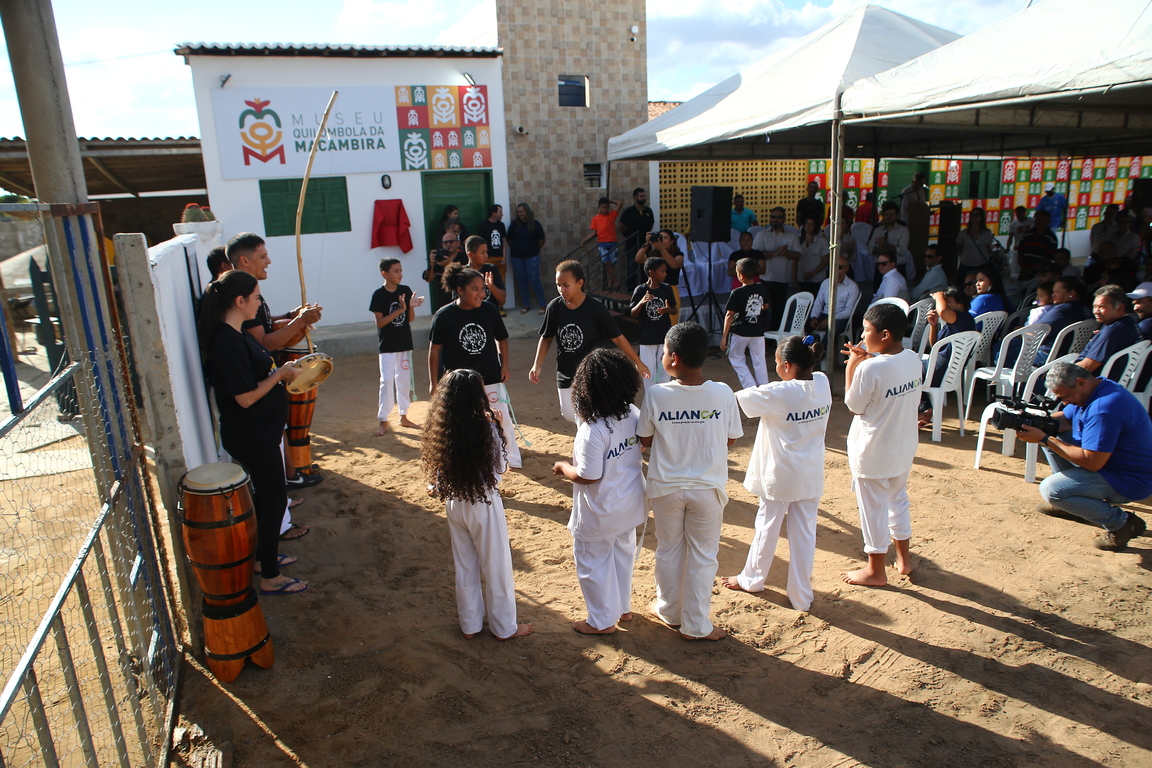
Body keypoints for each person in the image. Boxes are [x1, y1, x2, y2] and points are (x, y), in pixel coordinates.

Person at [198, 270, 307, 595]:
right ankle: (270, 577)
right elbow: (244, 397)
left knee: (269, 500)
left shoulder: (238, 333)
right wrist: (280, 375)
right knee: (273, 502)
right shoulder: (226, 342)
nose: (260, 303)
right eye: (256, 297)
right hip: (251, 436)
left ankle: (263, 559)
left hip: (260, 434)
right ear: (240, 301)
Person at [637, 322, 742, 640]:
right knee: (702, 555)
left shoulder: (656, 394)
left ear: (674, 358)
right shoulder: (723, 393)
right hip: (707, 489)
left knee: (668, 549)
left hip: (666, 488)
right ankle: (696, 625)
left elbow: (644, 439)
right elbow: (731, 440)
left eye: (665, 353)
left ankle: (669, 610)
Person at [420, 368, 533, 639]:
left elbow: (438, 474)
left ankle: (470, 625)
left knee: (465, 566)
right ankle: (505, 627)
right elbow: (500, 469)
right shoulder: (484, 425)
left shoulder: (442, 427)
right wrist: (498, 426)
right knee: (496, 567)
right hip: (483, 501)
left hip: (455, 502)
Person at [722, 336, 831, 612]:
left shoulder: (778, 393)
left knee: (767, 527)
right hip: (809, 473)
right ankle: (801, 596)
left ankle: (753, 579)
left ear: (786, 365)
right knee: (805, 534)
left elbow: (736, 399)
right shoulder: (822, 382)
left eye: (776, 363)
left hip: (780, 475)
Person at [551, 349, 646, 635]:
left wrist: (563, 468)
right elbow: (638, 446)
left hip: (600, 512)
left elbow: (588, 476)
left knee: (592, 564)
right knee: (622, 556)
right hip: (629, 504)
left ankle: (601, 621)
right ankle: (623, 608)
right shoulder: (632, 413)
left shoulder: (592, 429)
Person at [1017, 362, 1152, 551]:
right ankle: (1073, 503)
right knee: (1052, 438)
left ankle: (1122, 523)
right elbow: (1065, 418)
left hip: (1130, 479)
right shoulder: (1097, 389)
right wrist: (1037, 423)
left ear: (1081, 382)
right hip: (1114, 466)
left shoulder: (1104, 409)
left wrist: (1045, 438)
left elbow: (1092, 462)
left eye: (1065, 396)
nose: (1064, 402)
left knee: (1052, 489)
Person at [227, 232, 323, 494]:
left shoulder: (246, 290)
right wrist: (300, 323)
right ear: (244, 260)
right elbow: (264, 342)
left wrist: (292, 316)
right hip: (257, 388)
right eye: (263, 256)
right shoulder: (243, 293)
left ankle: (289, 478)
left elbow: (264, 324)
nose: (268, 261)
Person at [841, 303, 922, 586]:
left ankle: (875, 570)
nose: (861, 338)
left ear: (885, 334)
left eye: (866, 331)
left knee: (872, 509)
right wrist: (868, 359)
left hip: (873, 450)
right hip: (903, 446)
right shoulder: (913, 358)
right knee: (897, 501)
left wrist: (853, 365)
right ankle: (904, 560)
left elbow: (853, 405)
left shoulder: (869, 369)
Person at [531, 260, 650, 423]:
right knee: (568, 413)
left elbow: (617, 337)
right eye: (558, 285)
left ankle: (586, 447)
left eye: (566, 285)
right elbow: (546, 337)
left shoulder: (596, 308)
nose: (561, 289)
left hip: (590, 374)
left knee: (584, 416)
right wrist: (537, 365)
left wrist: (637, 361)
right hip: (565, 371)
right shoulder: (555, 307)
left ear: (580, 283)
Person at [428, 263, 520, 469]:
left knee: (502, 418)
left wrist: (504, 366)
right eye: (475, 289)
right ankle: (452, 466)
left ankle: (511, 458)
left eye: (482, 289)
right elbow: (434, 350)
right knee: (458, 425)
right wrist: (433, 381)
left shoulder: (489, 310)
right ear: (460, 290)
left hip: (490, 376)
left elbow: (502, 339)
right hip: (459, 384)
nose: (481, 294)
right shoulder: (444, 315)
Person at [369, 258, 424, 436]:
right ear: (385, 274)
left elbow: (409, 319)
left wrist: (411, 307)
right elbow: (380, 323)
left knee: (403, 380)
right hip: (387, 346)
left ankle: (404, 415)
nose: (400, 274)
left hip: (404, 343)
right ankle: (383, 420)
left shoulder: (405, 291)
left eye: (400, 270)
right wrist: (400, 310)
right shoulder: (379, 295)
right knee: (386, 382)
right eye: (396, 271)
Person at [721, 258, 772, 389]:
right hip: (758, 331)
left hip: (740, 331)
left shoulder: (737, 292)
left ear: (740, 275)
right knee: (759, 361)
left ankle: (750, 387)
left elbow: (729, 315)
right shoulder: (761, 287)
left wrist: (724, 337)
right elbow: (766, 306)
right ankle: (764, 388)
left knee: (736, 358)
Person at [630, 256, 677, 391]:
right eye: (662, 271)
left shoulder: (666, 289)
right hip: (647, 338)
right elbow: (633, 313)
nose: (665, 274)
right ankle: (651, 398)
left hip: (664, 336)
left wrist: (668, 309)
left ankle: (663, 396)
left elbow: (673, 310)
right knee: (648, 371)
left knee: (664, 369)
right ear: (651, 272)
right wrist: (642, 302)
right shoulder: (640, 290)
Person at [1076, 285, 1141, 377]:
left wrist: (1053, 371)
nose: (1096, 311)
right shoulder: (1129, 323)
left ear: (1119, 308)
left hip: (1092, 382)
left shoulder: (1113, 331)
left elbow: (1087, 367)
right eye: (1094, 307)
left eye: (1101, 307)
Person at [752, 207, 801, 328]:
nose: (775, 220)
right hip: (765, 279)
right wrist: (775, 253)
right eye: (773, 217)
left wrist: (785, 253)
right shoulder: (762, 234)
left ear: (784, 219)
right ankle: (761, 337)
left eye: (779, 217)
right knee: (761, 310)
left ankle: (774, 340)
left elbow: (798, 256)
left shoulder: (791, 236)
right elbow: (755, 255)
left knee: (779, 312)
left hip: (782, 280)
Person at [922, 288, 975, 391]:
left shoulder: (964, 319)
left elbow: (943, 311)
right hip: (938, 366)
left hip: (940, 369)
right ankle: (926, 404)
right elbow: (935, 347)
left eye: (948, 302)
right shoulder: (954, 324)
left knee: (906, 370)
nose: (945, 304)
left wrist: (939, 297)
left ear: (961, 303)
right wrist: (934, 325)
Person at [1033, 276, 1092, 362]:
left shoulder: (1062, 310)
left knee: (1009, 348)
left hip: (1047, 356)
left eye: (1057, 292)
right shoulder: (1085, 307)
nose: (1053, 295)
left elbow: (1035, 332)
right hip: (1070, 357)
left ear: (1071, 293)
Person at [634, 230, 685, 326]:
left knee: (671, 322)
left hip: (670, 290)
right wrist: (647, 243)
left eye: (665, 238)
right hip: (654, 290)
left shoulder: (678, 254)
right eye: (660, 237)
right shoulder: (653, 254)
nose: (662, 240)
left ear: (672, 241)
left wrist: (662, 249)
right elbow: (638, 258)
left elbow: (674, 265)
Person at [507, 202, 547, 315]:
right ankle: (526, 305)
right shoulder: (514, 225)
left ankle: (542, 304)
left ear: (527, 212)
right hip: (517, 258)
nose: (519, 214)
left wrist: (533, 249)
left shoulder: (535, 224)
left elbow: (541, 240)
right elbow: (509, 240)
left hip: (532, 257)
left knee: (534, 280)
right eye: (518, 212)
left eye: (521, 211)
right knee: (521, 281)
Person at [808, 255, 859, 343]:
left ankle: (820, 354)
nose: (834, 269)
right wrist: (814, 317)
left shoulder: (852, 287)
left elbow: (848, 311)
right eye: (832, 266)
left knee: (831, 331)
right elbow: (818, 303)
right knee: (798, 323)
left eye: (838, 267)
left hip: (839, 318)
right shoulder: (826, 282)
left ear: (846, 269)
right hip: (823, 315)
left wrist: (830, 319)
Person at [579, 196, 624, 291]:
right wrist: (585, 240)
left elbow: (619, 203)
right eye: (603, 207)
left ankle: (610, 283)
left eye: (606, 207)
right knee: (607, 262)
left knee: (612, 263)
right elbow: (594, 233)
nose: (605, 209)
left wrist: (610, 200)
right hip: (602, 243)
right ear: (599, 207)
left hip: (612, 242)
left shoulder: (611, 215)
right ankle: (615, 282)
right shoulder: (596, 219)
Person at [618, 187, 655, 290]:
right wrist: (629, 236)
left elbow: (651, 224)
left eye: (644, 196)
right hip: (631, 246)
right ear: (635, 197)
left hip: (645, 245)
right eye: (641, 196)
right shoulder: (628, 212)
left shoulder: (648, 211)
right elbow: (621, 227)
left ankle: (646, 290)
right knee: (631, 270)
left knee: (646, 269)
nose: (643, 198)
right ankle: (631, 292)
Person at [476, 204, 507, 312]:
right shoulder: (484, 225)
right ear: (493, 213)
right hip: (489, 259)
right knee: (487, 282)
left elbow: (504, 241)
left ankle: (500, 306)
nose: (501, 214)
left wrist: (504, 256)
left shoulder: (501, 225)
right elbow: (481, 243)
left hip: (499, 258)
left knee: (501, 282)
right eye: (500, 212)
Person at [427, 231, 467, 311]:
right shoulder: (439, 259)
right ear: (442, 245)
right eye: (445, 242)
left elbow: (467, 276)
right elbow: (429, 279)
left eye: (451, 242)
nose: (448, 244)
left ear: (458, 243)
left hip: (461, 300)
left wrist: (450, 264)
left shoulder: (464, 258)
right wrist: (432, 264)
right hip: (443, 301)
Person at [464, 235, 506, 310]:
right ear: (470, 254)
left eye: (486, 252)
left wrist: (491, 286)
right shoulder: (463, 273)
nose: (486, 256)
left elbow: (502, 300)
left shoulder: (491, 269)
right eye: (482, 253)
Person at [867, 202, 911, 271]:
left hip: (898, 267)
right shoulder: (877, 230)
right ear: (883, 215)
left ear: (897, 216)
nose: (889, 216)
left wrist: (885, 245)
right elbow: (870, 250)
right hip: (880, 268)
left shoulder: (903, 230)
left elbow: (903, 251)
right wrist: (881, 247)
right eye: (886, 214)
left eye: (892, 214)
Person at [955, 207, 996, 274]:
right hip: (966, 265)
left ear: (981, 218)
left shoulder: (987, 233)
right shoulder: (963, 233)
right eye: (972, 215)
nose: (974, 217)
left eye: (977, 215)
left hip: (983, 264)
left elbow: (988, 248)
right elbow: (959, 249)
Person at [795, 217, 829, 296]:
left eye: (811, 224)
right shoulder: (797, 241)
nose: (808, 226)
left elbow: (825, 260)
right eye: (807, 223)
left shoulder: (822, 241)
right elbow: (794, 261)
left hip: (817, 278)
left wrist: (812, 273)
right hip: (801, 278)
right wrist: (794, 279)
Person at [1018, 210, 1057, 278]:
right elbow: (1020, 254)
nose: (1038, 221)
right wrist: (1023, 269)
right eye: (1036, 219)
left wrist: (1032, 270)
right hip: (1024, 272)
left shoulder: (1051, 238)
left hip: (1040, 275)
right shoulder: (1026, 235)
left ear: (1048, 221)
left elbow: (1048, 258)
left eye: (1041, 219)